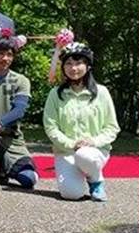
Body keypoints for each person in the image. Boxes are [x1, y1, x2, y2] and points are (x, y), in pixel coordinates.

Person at [42, 43, 119, 201]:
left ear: (88, 66)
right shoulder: (55, 94)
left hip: (94, 151)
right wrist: (71, 144)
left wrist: (93, 141)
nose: (73, 68)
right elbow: (51, 127)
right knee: (71, 194)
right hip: (66, 152)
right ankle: (78, 178)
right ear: (63, 67)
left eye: (78, 63)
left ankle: (95, 181)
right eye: (68, 63)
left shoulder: (101, 93)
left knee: (85, 155)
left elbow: (112, 127)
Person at [0, 35, 38, 189]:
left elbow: (19, 110)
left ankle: (3, 164)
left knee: (29, 178)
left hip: (9, 136)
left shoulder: (20, 80)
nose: (6, 58)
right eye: (1, 54)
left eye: (10, 54)